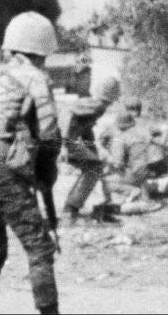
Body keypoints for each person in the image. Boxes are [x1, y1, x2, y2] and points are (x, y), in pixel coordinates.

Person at [0, 12, 62, 315]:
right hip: (1, 166)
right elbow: (49, 133)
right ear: (40, 51)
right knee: (40, 247)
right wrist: (46, 172)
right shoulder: (35, 78)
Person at [62, 75, 121, 224]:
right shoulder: (97, 106)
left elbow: (86, 129)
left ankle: (71, 206)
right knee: (95, 168)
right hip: (62, 141)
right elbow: (67, 115)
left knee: (93, 165)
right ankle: (70, 209)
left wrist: (92, 149)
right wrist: (63, 144)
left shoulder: (93, 104)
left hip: (64, 140)